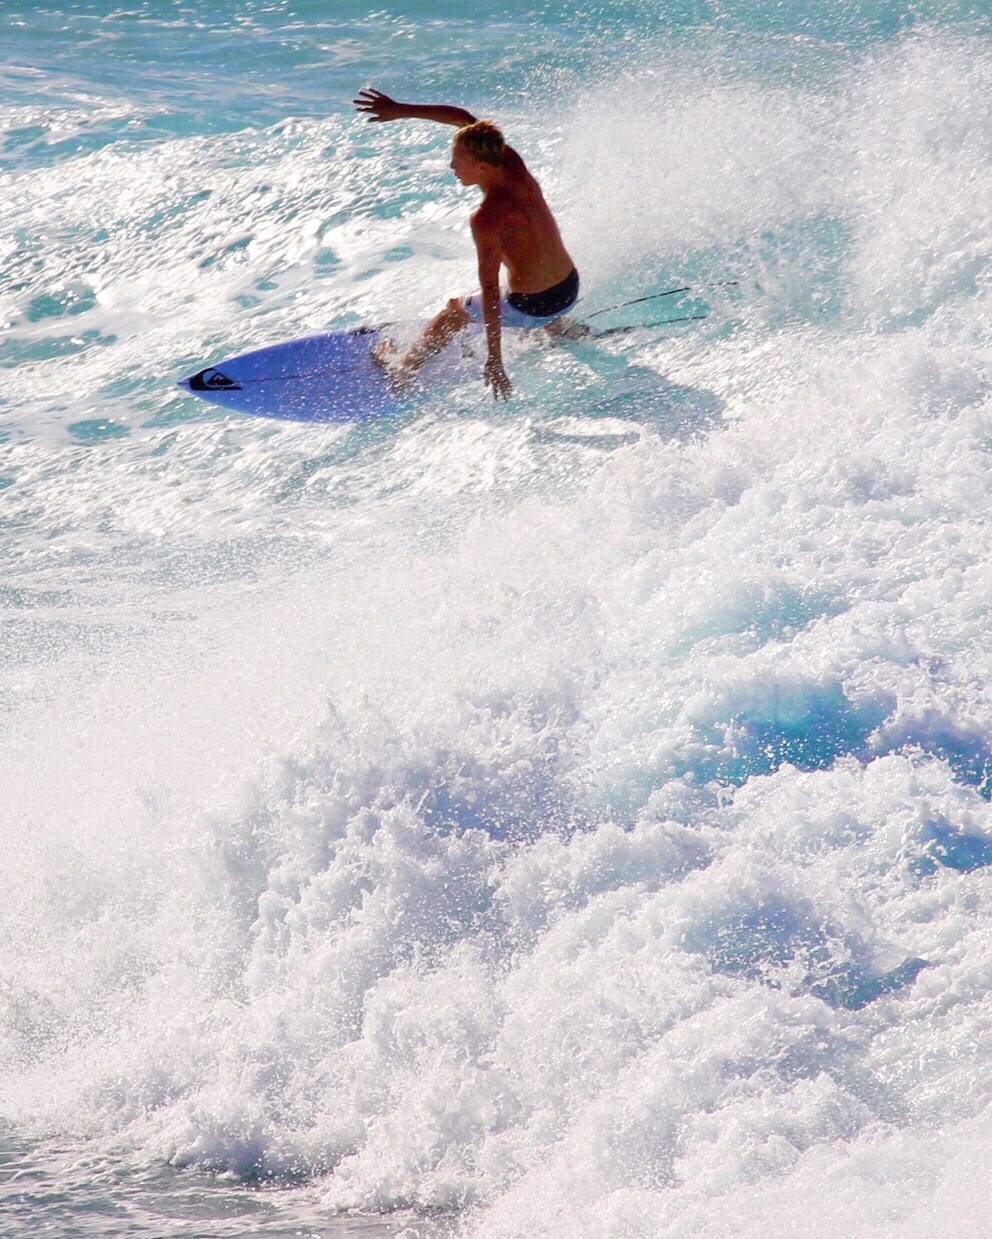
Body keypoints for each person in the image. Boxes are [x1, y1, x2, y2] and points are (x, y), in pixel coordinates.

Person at [353, 87, 579, 400]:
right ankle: (560, 327)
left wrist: (495, 359)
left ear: (482, 168)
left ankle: (403, 370)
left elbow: (489, 291)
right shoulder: (511, 164)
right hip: (569, 289)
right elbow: (461, 118)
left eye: (458, 161)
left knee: (454, 309)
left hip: (534, 307)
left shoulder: (486, 218)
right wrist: (400, 109)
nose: (452, 167)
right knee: (526, 268)